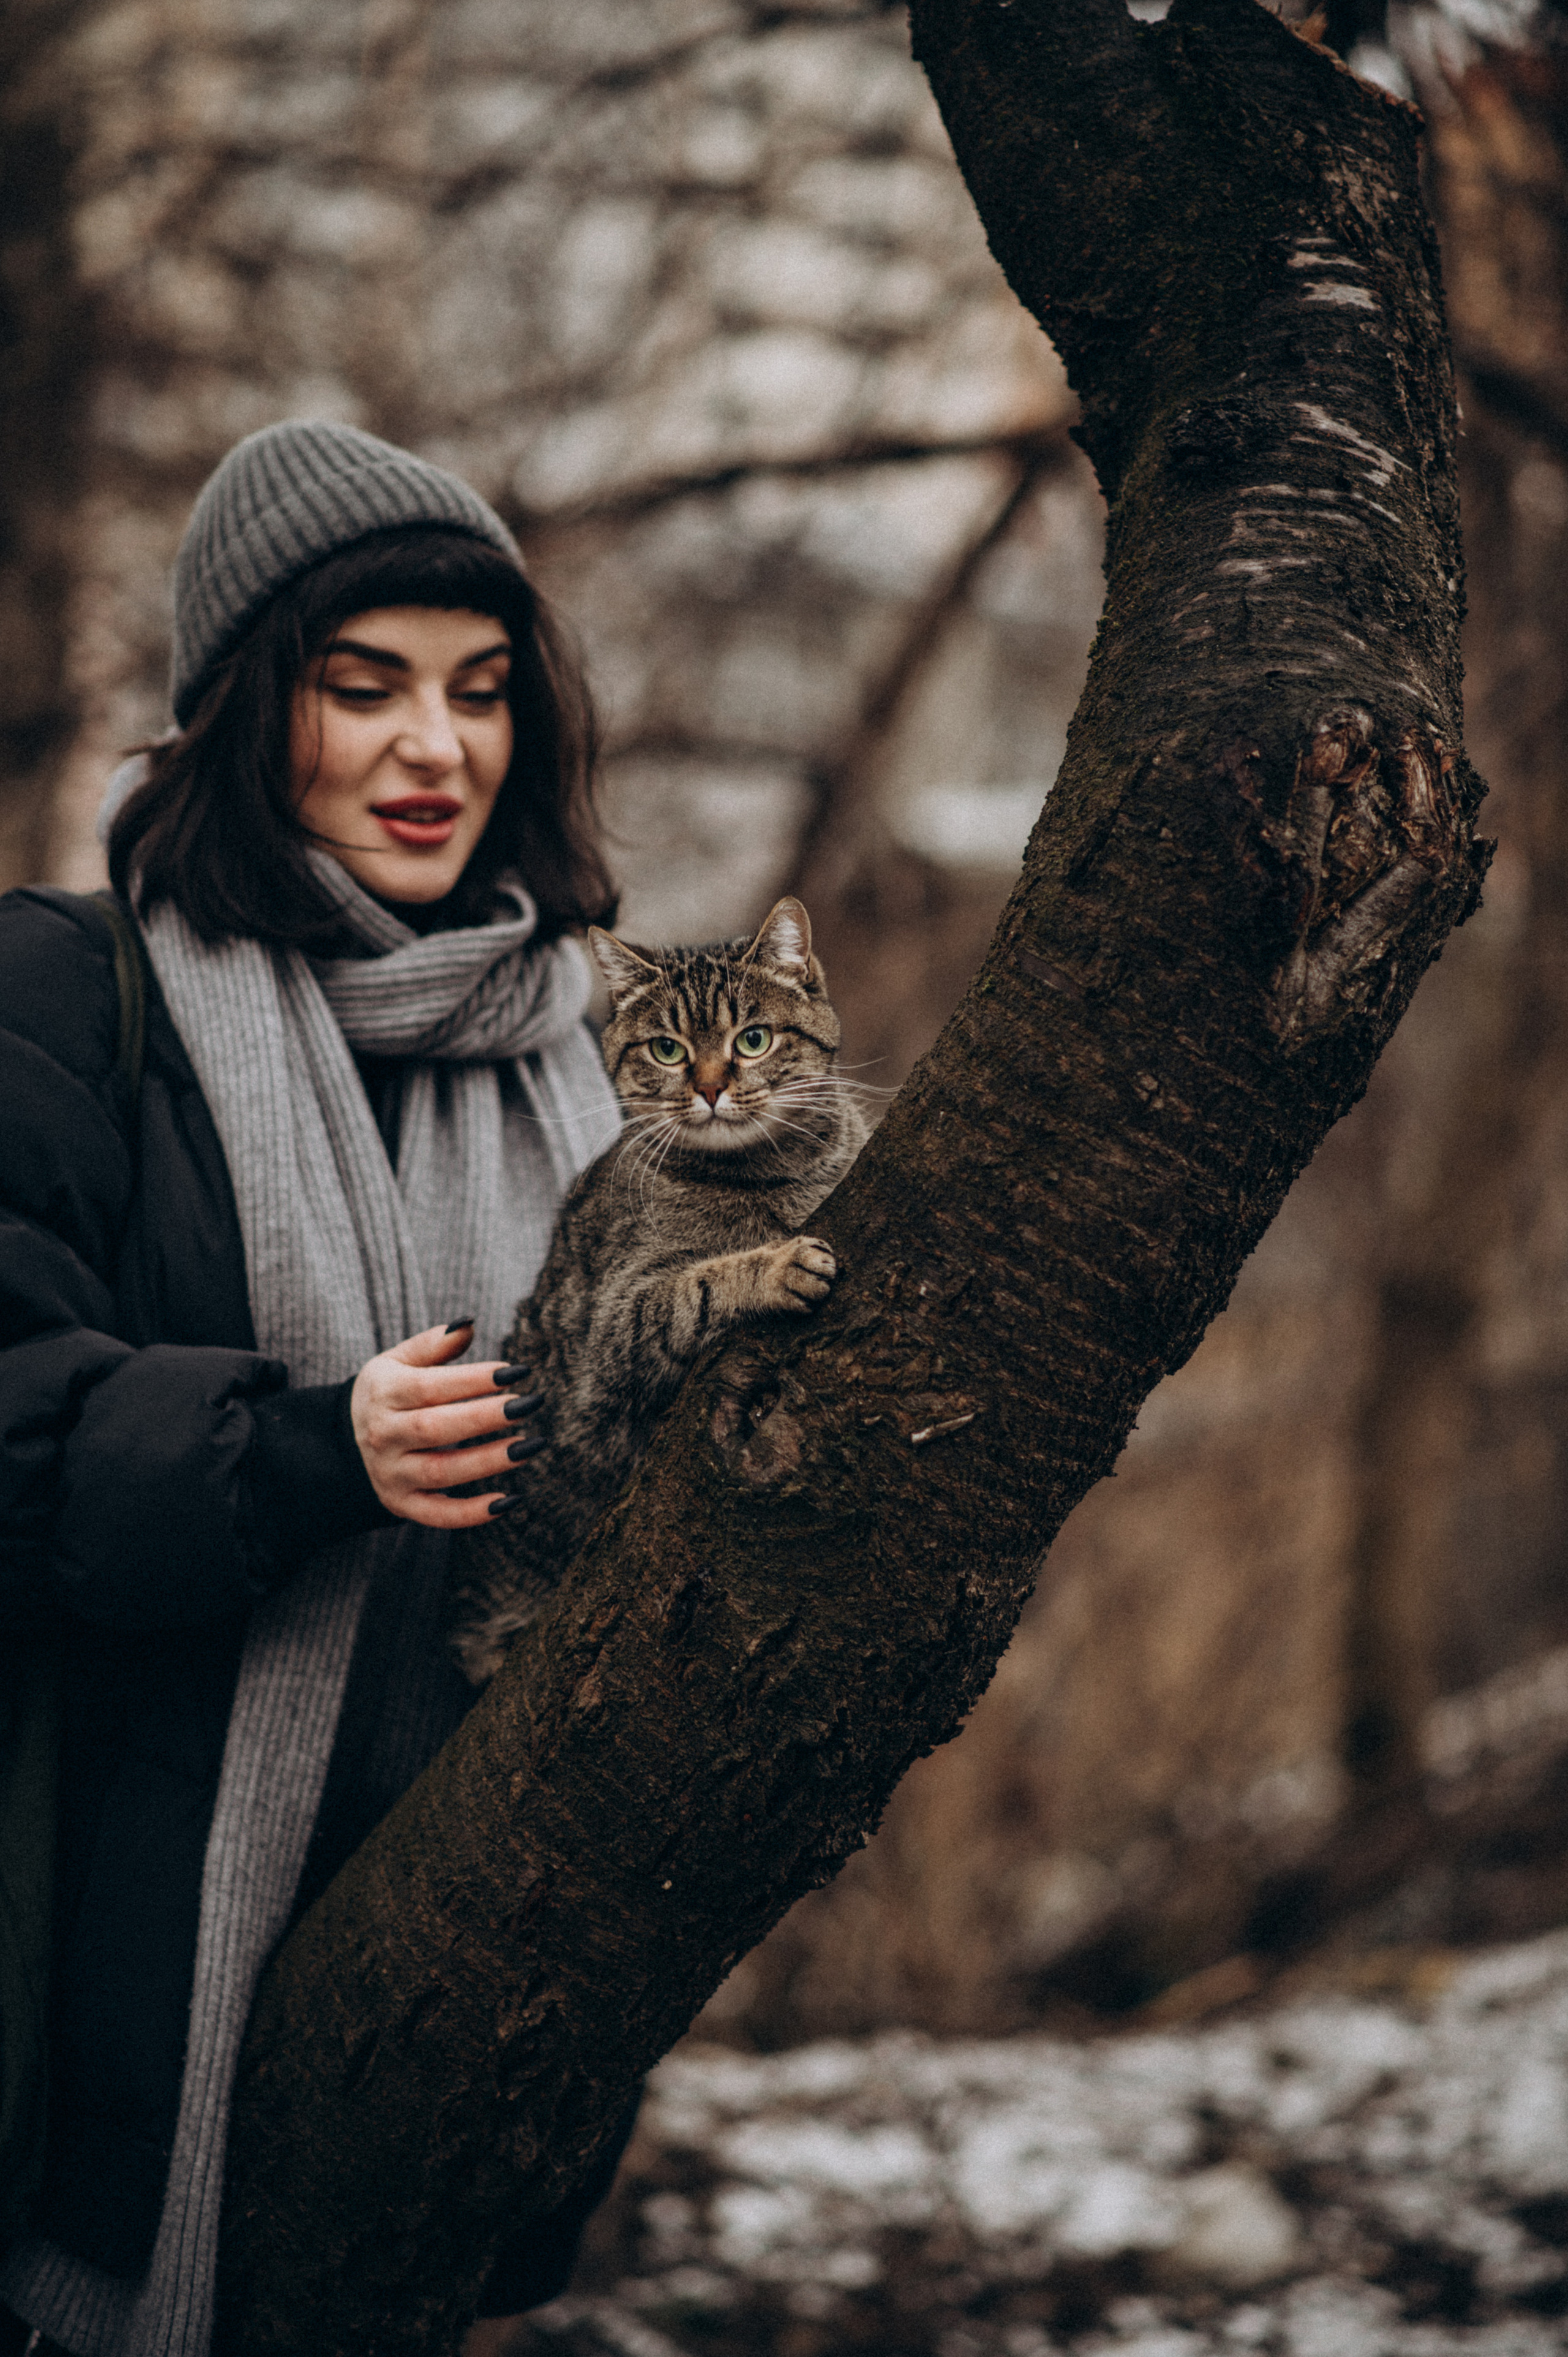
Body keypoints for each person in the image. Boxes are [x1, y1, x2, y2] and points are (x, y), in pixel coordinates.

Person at [0, 421, 631, 2357]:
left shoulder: (579, 1064)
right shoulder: (65, 996)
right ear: (244, 712)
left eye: (480, 691)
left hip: (460, 2008)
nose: (435, 751)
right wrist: (306, 1447)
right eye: (363, 689)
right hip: (97, 2010)